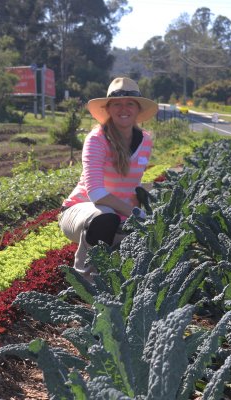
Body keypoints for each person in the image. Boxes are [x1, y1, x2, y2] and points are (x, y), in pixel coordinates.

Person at [59, 77, 158, 281]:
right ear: (109, 109)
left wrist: (142, 216)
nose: (124, 109)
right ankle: (85, 278)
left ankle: (115, 279)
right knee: (105, 218)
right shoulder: (97, 139)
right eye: (117, 104)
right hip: (82, 211)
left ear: (138, 109)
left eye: (130, 103)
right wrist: (136, 214)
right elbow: (96, 193)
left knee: (148, 238)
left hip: (119, 214)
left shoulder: (145, 141)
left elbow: (132, 186)